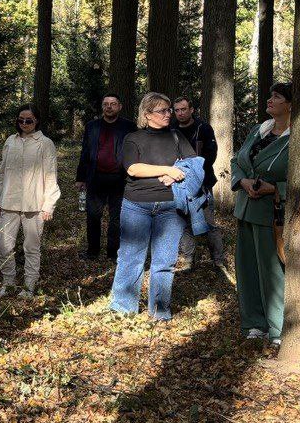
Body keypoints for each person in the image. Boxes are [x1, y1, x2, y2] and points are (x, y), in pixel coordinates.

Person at [108, 92, 195, 320]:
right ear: (147, 115)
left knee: (165, 261)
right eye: (163, 111)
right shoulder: (133, 138)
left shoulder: (177, 137)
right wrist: (167, 170)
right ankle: (123, 308)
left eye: (169, 110)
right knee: (130, 257)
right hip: (136, 205)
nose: (169, 114)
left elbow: (193, 164)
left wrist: (180, 173)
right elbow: (133, 169)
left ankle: (160, 311)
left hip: (171, 207)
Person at [231, 81, 292, 346]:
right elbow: (238, 161)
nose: (270, 100)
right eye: (271, 95)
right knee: (247, 270)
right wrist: (242, 181)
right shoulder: (259, 130)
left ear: (290, 105)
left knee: (273, 273)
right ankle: (254, 323)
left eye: (277, 96)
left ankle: (277, 329)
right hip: (246, 209)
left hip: (273, 213)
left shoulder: (297, 137)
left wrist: (276, 188)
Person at [0, 105, 61, 297]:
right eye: (21, 120)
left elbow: (50, 175)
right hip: (9, 202)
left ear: (36, 120)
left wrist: (49, 204)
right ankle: (8, 284)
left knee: (31, 247)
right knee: (3, 244)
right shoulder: (10, 142)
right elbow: (1, 172)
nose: (24, 124)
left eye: (28, 120)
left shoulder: (45, 143)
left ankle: (29, 287)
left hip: (35, 204)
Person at [75, 94, 136, 260]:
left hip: (120, 179)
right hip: (96, 178)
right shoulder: (92, 126)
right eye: (106, 104)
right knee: (93, 216)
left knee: (117, 218)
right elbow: (85, 152)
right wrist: (81, 178)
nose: (109, 107)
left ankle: (113, 253)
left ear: (120, 106)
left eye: (113, 104)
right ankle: (92, 251)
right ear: (102, 107)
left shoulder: (129, 127)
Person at [171, 96, 226, 271]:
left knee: (209, 222)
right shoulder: (171, 130)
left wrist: (192, 168)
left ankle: (218, 260)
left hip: (202, 183)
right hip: (178, 184)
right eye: (177, 110)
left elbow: (211, 155)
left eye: (184, 109)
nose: (180, 113)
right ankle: (188, 259)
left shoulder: (203, 128)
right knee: (183, 222)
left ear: (191, 110)